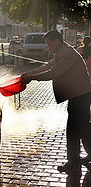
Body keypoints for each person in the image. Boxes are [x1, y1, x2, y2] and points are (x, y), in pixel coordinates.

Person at [21, 30, 91, 174]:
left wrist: (32, 78)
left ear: (56, 41)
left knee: (73, 130)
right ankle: (85, 155)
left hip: (80, 96)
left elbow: (52, 73)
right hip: (79, 94)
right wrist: (31, 73)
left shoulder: (67, 54)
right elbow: (48, 65)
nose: (48, 47)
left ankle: (73, 161)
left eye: (48, 44)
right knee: (84, 127)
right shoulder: (63, 51)